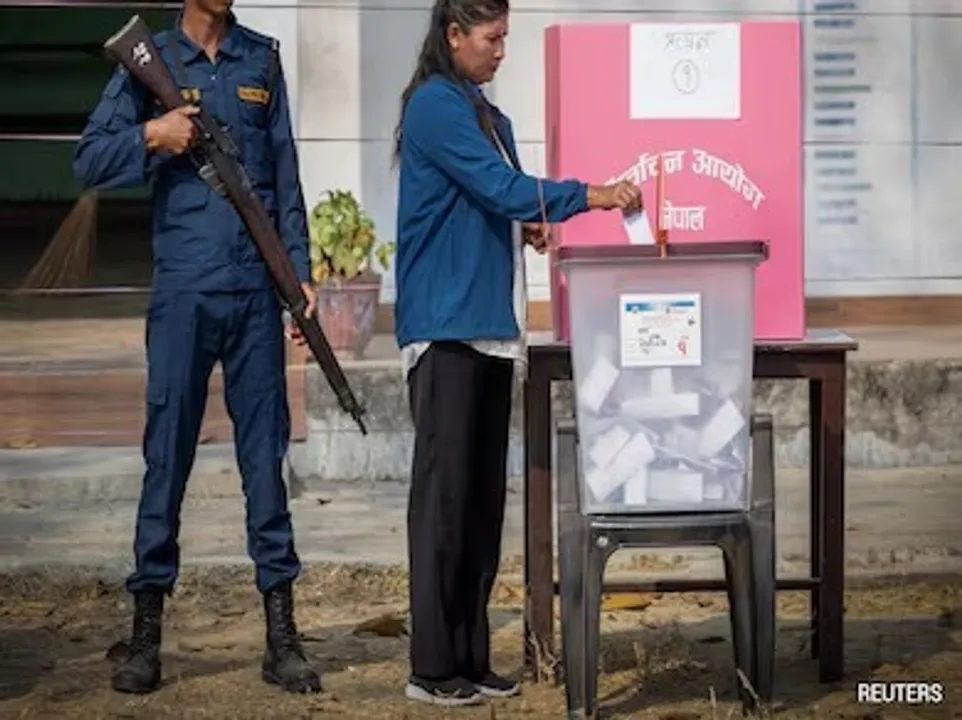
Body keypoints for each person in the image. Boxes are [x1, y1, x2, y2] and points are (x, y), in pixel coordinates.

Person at [392, 0, 643, 707]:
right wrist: (590, 195)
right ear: (454, 36)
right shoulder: (435, 107)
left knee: (477, 504)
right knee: (443, 502)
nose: (502, 50)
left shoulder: (489, 118)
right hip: (446, 325)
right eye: (492, 37)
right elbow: (499, 187)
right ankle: (432, 666)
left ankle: (471, 658)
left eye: (507, 36)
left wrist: (528, 226)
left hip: (491, 326)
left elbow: (497, 200)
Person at [73, 0, 321, 696]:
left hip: (253, 293)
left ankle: (282, 635)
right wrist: (154, 134)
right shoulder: (148, 61)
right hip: (184, 292)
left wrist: (297, 273)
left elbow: (284, 176)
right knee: (167, 457)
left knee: (265, 461)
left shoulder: (260, 58)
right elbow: (88, 160)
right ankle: (147, 633)